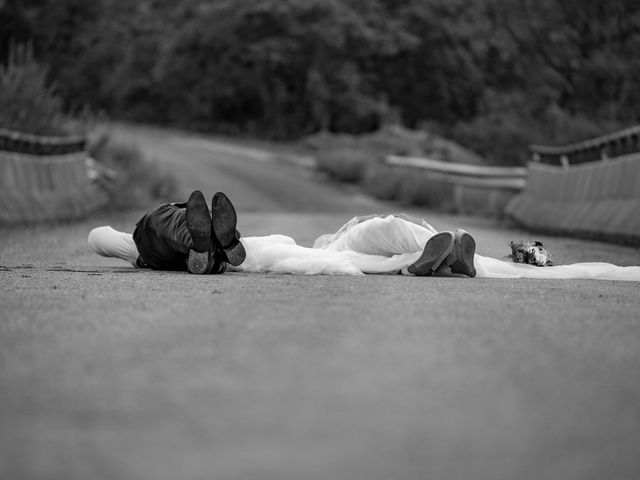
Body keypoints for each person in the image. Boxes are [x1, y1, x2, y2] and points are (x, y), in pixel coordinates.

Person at [88, 190, 640, 281]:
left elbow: (98, 237)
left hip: (256, 251)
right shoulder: (324, 246)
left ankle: (437, 252)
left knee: (143, 236)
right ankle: (437, 247)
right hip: (263, 247)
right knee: (381, 232)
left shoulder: (326, 249)